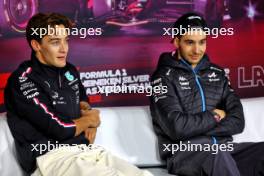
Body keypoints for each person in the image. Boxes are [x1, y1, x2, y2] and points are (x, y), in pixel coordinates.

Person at [5, 13, 152, 176]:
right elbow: (59, 128)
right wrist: (91, 119)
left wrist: (88, 116)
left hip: (84, 151)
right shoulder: (23, 80)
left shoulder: (69, 70)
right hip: (51, 159)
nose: (64, 49)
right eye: (55, 42)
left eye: (65, 40)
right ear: (36, 45)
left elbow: (82, 100)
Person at [150, 12, 264, 176]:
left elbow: (238, 121)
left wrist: (196, 128)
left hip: (224, 149)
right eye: (190, 42)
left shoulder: (217, 73)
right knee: (216, 155)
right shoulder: (162, 77)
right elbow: (177, 128)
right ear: (176, 41)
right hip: (185, 153)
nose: (197, 50)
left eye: (202, 42)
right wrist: (215, 116)